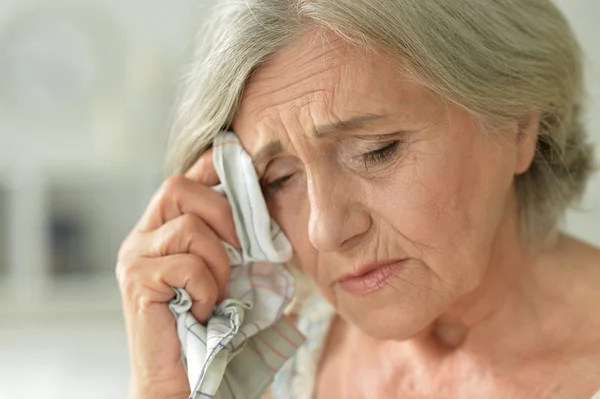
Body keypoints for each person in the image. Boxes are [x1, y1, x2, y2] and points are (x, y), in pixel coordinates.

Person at [115, 0, 600, 398]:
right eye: (279, 179)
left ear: (516, 124)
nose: (325, 230)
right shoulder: (262, 372)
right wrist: (163, 388)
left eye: (377, 151)